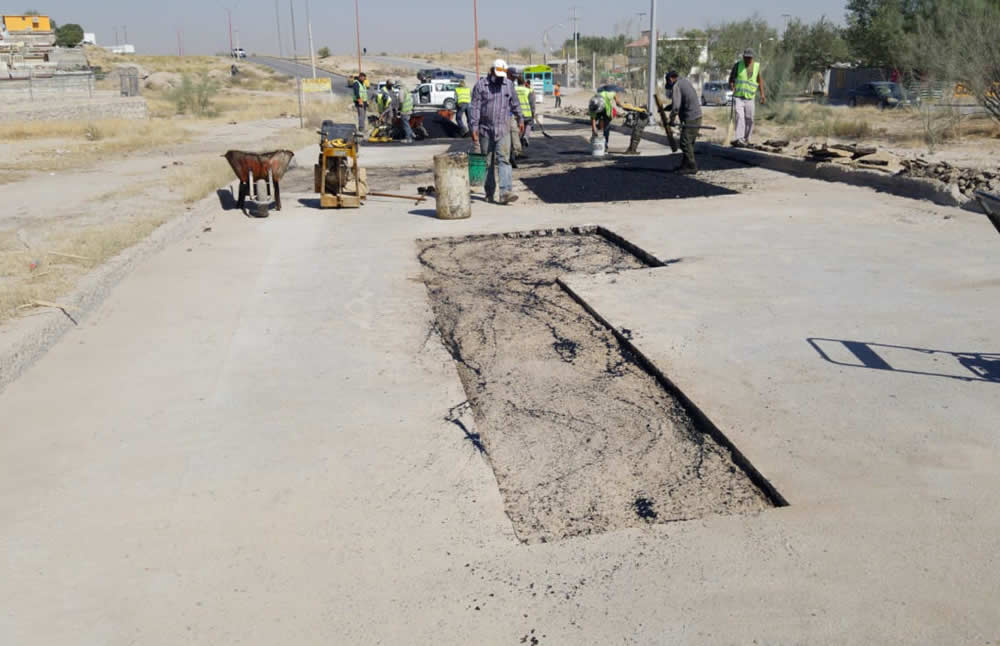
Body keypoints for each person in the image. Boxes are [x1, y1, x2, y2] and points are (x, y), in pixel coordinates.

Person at [469, 58, 524, 205]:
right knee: (488, 162)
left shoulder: (508, 85)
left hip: (503, 129)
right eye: (498, 75)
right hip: (485, 130)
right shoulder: (481, 86)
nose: (500, 79)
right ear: (491, 70)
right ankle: (489, 192)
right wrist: (473, 127)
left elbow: (515, 103)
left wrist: (520, 118)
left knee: (504, 160)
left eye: (502, 76)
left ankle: (505, 192)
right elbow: (474, 108)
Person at [665, 70, 703, 174]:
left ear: (670, 79)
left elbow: (676, 107)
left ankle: (692, 166)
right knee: (689, 143)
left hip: (691, 117)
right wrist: (667, 108)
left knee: (684, 143)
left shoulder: (676, 85)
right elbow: (680, 102)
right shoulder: (684, 82)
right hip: (697, 116)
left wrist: (671, 120)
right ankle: (684, 165)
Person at [728, 48, 766, 146]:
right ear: (743, 57)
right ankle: (739, 139)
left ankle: (746, 139)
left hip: (750, 97)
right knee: (740, 117)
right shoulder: (737, 66)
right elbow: (731, 79)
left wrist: (762, 94)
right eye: (746, 58)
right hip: (738, 97)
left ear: (752, 58)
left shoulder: (756, 67)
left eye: (749, 58)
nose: (747, 60)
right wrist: (732, 86)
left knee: (750, 119)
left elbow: (760, 81)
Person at [516, 77, 535, 147]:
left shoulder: (514, 90)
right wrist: (533, 113)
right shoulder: (528, 91)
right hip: (527, 113)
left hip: (517, 114)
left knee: (519, 127)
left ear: (517, 82)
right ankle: (526, 136)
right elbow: (532, 104)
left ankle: (518, 141)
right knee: (529, 124)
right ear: (524, 83)